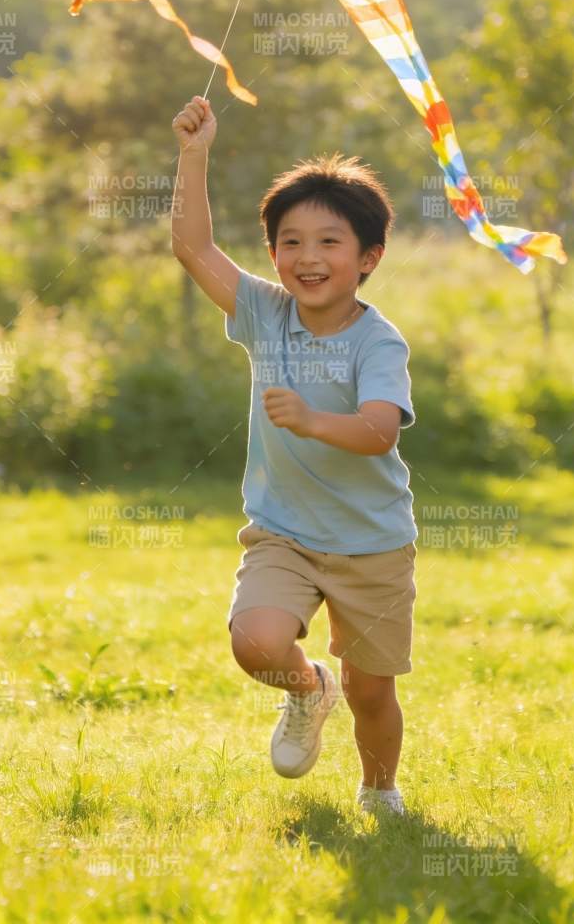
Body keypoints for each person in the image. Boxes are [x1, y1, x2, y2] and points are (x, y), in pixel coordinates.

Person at [170, 94, 418, 818]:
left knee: (373, 689)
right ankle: (309, 691)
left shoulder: (379, 341)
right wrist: (194, 152)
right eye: (291, 242)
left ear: (368, 257)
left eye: (330, 242)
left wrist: (312, 419)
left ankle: (379, 793)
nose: (307, 258)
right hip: (285, 533)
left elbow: (380, 430)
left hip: (372, 543)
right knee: (255, 641)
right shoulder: (264, 312)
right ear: (274, 252)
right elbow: (193, 248)